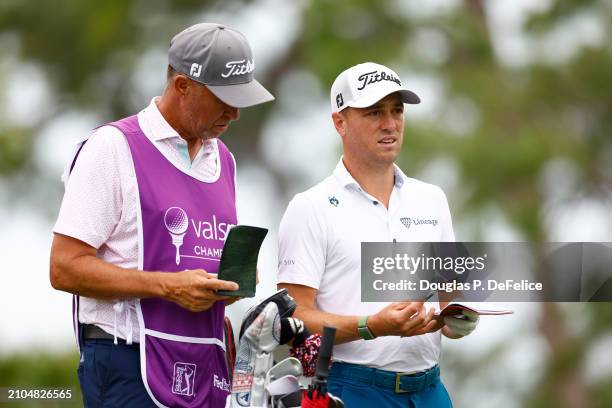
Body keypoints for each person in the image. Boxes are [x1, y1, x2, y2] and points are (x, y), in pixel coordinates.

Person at [50, 23, 274, 408]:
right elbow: (64, 268)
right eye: (224, 99)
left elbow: (193, 258)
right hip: (126, 364)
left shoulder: (223, 159)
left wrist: (230, 281)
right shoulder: (113, 147)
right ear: (183, 86)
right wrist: (169, 287)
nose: (235, 114)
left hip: (206, 362)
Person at [277, 62, 479, 407]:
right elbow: (292, 319)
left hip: (431, 390)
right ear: (340, 122)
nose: (390, 124)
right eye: (374, 113)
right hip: (351, 388)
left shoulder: (432, 199)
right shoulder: (310, 207)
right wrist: (371, 326)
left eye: (397, 111)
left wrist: (459, 321)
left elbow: (450, 298)